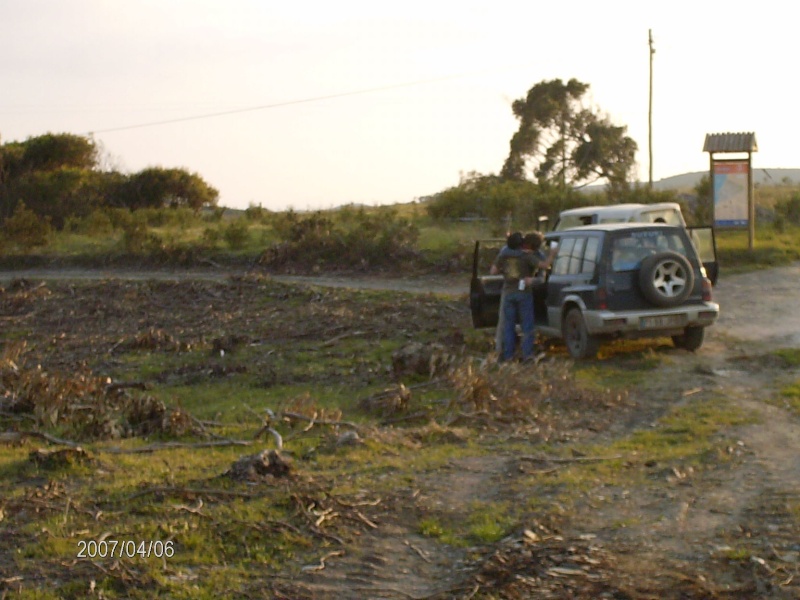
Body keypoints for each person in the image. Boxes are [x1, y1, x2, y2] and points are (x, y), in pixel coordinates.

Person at [490, 232, 555, 361]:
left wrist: (505, 270)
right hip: (524, 293)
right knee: (527, 326)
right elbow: (544, 265)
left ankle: (508, 355)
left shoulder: (504, 253)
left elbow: (493, 271)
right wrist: (552, 254)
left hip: (508, 292)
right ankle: (527, 355)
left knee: (508, 326)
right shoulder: (527, 256)